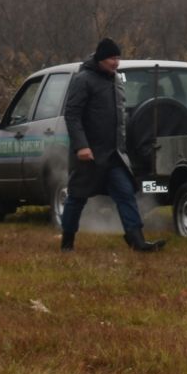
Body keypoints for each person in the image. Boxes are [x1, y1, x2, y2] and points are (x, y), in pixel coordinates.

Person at [60, 37, 165, 254]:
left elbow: (120, 118)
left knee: (126, 193)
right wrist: (81, 146)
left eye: (118, 58)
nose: (116, 62)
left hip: (114, 154)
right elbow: (72, 115)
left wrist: (124, 147)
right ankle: (67, 242)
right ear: (100, 58)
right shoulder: (83, 80)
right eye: (111, 58)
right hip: (89, 154)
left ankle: (137, 241)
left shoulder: (116, 80)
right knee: (77, 198)